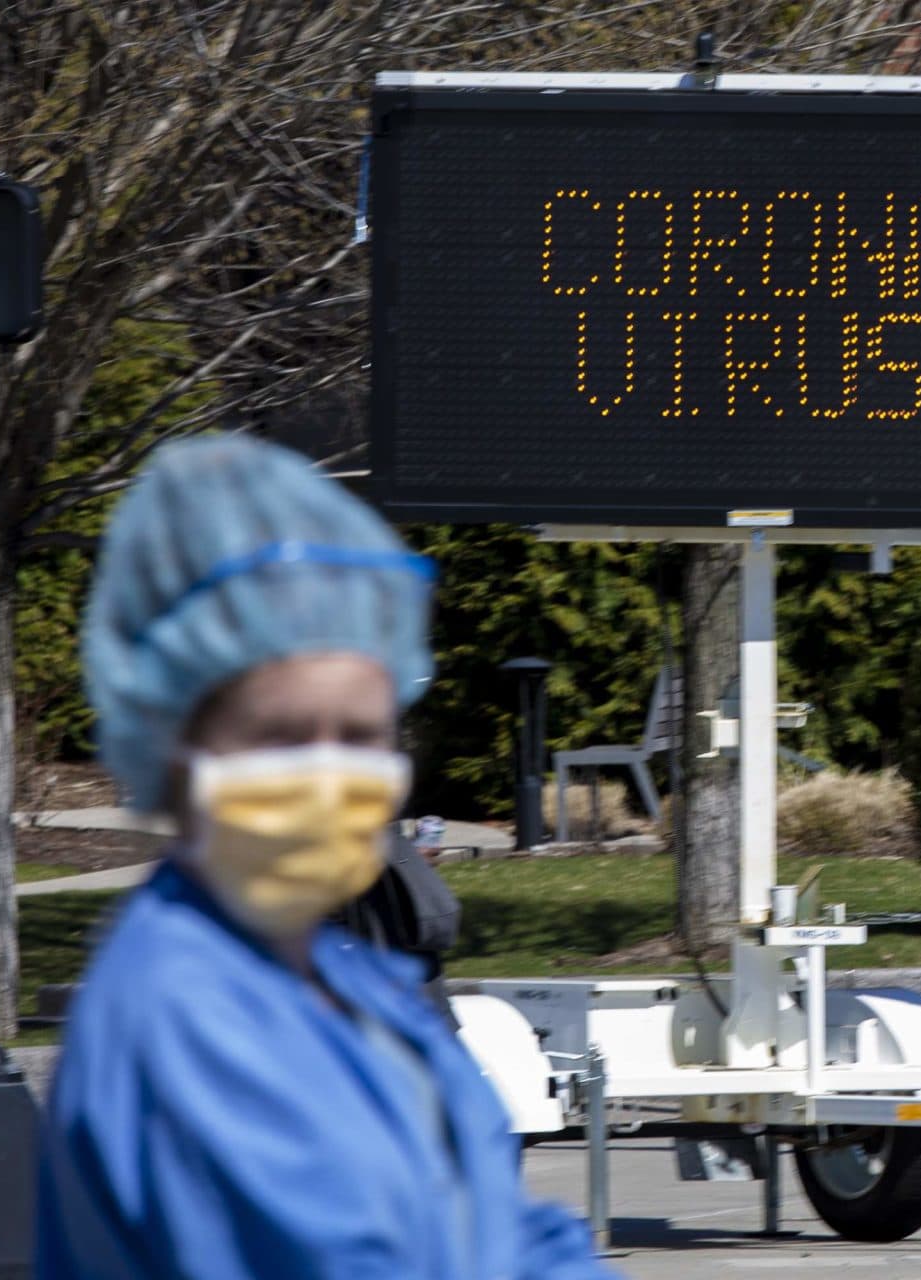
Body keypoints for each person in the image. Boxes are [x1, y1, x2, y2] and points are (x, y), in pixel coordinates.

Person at [36, 435, 608, 1278]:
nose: (329, 771)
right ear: (174, 747)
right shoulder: (185, 1017)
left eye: (360, 735)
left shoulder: (352, 983)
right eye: (283, 735)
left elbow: (498, 1222)